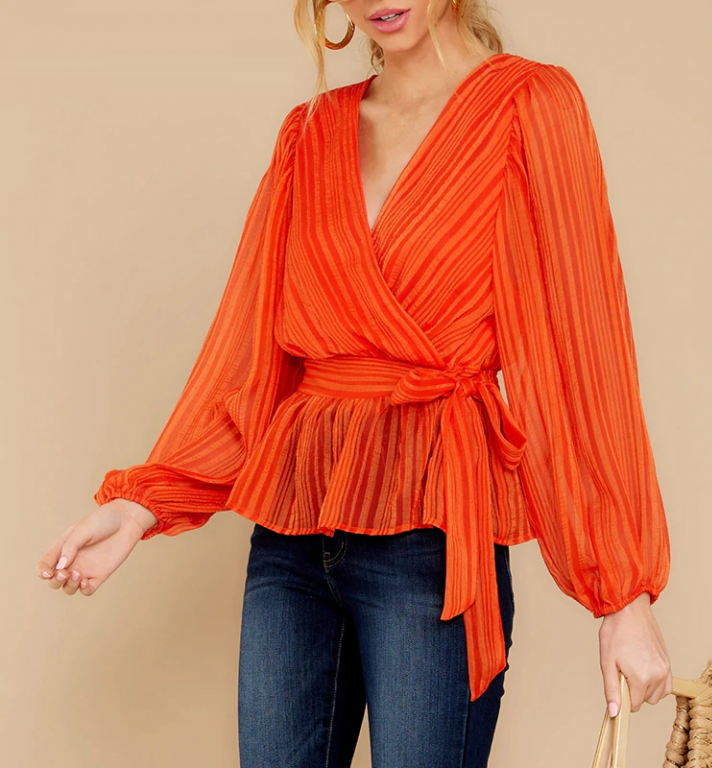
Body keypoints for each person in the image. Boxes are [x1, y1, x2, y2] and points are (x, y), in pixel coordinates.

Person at [36, 1, 674, 766]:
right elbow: (249, 354)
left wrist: (622, 594)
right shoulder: (309, 133)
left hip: (432, 537)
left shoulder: (530, 105)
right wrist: (145, 501)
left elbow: (583, 343)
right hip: (293, 538)